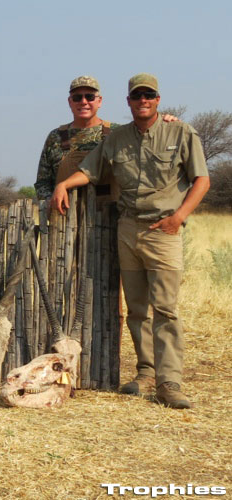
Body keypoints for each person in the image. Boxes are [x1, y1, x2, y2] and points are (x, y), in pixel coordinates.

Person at [51, 73, 210, 409]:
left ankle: (170, 382)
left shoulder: (180, 132)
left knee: (165, 309)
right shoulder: (118, 138)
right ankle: (145, 374)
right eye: (137, 96)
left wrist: (178, 217)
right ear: (128, 101)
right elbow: (91, 171)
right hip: (127, 229)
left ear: (158, 98)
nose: (143, 101)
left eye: (148, 95)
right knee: (138, 310)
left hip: (163, 231)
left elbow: (201, 180)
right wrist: (64, 185)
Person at [35, 75, 175, 200]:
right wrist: (49, 202)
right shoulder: (55, 137)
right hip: (64, 219)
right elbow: (42, 182)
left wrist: (167, 123)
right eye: (77, 98)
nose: (83, 102)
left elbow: (150, 140)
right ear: (70, 102)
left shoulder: (118, 133)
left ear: (99, 101)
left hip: (109, 219)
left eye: (89, 97)